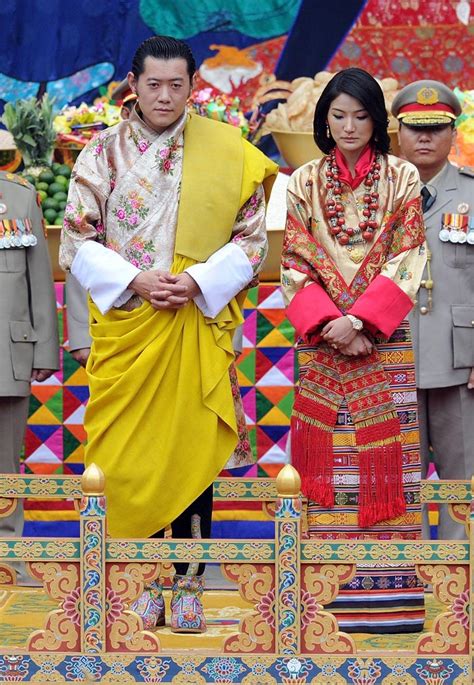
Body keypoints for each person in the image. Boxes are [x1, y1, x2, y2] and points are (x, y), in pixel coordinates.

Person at [59, 35, 277, 633]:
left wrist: (199, 282)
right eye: (152, 84)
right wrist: (137, 279)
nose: (163, 95)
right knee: (130, 458)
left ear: (192, 88)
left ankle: (187, 582)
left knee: (188, 454)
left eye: (176, 85)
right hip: (130, 327)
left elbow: (252, 239)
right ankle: (142, 577)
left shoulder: (223, 150)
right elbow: (77, 238)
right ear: (133, 83)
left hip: (193, 321)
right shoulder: (100, 154)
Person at [281, 67, 427, 634]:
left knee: (386, 464)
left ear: (377, 120)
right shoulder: (300, 182)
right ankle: (322, 606)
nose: (348, 126)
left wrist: (363, 321)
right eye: (337, 115)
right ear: (323, 120)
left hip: (382, 341)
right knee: (329, 477)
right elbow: (293, 261)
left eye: (360, 116)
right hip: (324, 342)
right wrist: (332, 324)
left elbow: (411, 256)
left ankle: (393, 605)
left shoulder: (404, 178)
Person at [393, 80, 474, 540]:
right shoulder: (377, 196)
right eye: (415, 128)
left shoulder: (472, 193)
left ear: (453, 133)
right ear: (397, 132)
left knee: (462, 479)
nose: (425, 138)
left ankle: (460, 591)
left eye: (437, 128)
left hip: (459, 359)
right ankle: (404, 587)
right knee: (398, 480)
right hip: (392, 354)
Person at [0, 171, 59, 583]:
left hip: (8, 353)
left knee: (5, 463)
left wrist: (44, 350)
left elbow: (40, 278)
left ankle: (5, 556)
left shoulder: (19, 198)